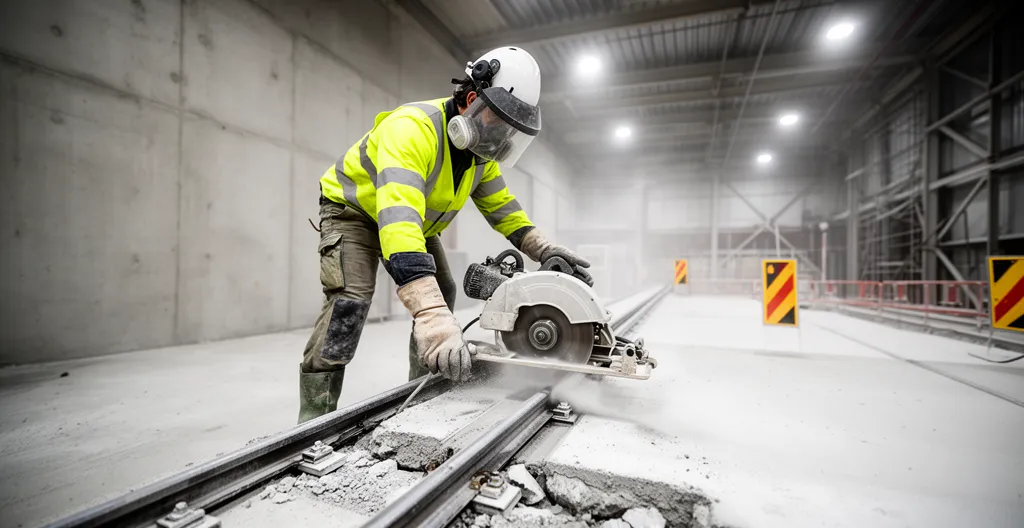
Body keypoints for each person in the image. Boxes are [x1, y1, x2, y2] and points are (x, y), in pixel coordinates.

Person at [298, 47, 592, 423]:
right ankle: (313, 419)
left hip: (409, 221)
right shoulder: (411, 129)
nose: (505, 136)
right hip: (353, 212)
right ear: (473, 100)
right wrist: (432, 318)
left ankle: (419, 393)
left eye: (512, 130)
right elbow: (399, 221)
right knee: (350, 302)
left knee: (444, 289)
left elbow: (502, 206)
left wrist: (542, 247)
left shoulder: (479, 151)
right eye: (501, 122)